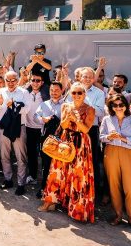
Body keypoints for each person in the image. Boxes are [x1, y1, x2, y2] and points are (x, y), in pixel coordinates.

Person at [39, 82, 96, 223]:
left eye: (79, 93)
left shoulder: (90, 109)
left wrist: (76, 119)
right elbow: (63, 125)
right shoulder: (66, 106)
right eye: (74, 93)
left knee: (78, 174)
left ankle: (77, 209)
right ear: (70, 94)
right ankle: (50, 202)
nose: (76, 95)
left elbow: (86, 130)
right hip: (65, 140)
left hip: (81, 142)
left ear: (84, 94)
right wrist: (68, 117)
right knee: (57, 171)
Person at [100, 93, 131, 232]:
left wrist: (124, 138)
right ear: (111, 107)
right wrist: (108, 137)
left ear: (126, 105)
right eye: (115, 105)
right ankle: (118, 215)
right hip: (111, 152)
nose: (118, 107)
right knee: (114, 185)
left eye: (121, 104)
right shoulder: (107, 119)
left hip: (128, 153)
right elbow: (101, 137)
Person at [0, 70, 32, 195]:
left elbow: (27, 109)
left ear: (17, 80)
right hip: (3, 127)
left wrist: (13, 106)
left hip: (19, 127)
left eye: (13, 80)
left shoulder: (24, 92)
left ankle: (21, 184)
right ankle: (8, 179)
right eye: (7, 80)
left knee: (21, 157)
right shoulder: (0, 92)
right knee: (4, 155)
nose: (10, 83)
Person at [78, 67, 107, 199]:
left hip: (91, 130)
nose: (88, 79)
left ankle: (91, 193)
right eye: (85, 76)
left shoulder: (99, 93)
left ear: (93, 78)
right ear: (80, 77)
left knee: (92, 161)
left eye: (90, 77)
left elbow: (101, 112)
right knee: (75, 159)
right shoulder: (74, 90)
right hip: (75, 130)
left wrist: (86, 107)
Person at [36, 81, 65, 196]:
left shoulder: (66, 104)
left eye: (57, 90)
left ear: (62, 90)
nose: (54, 93)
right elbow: (36, 116)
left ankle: (58, 191)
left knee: (59, 166)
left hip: (61, 140)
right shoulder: (44, 104)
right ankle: (44, 187)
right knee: (45, 164)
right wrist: (42, 119)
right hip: (46, 139)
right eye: (52, 90)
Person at [23, 72, 45, 186]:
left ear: (42, 83)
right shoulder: (25, 93)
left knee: (44, 154)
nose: (35, 83)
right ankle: (32, 176)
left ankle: (45, 180)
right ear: (30, 81)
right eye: (33, 80)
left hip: (42, 129)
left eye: (38, 80)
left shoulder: (46, 94)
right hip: (29, 127)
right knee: (31, 153)